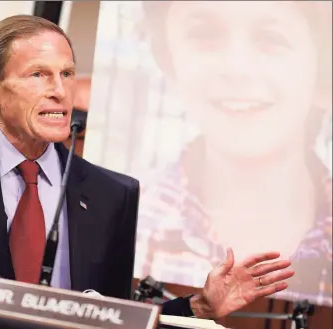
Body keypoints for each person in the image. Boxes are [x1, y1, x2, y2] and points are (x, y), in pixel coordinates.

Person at [0, 15, 293, 320]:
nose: (60, 91)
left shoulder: (112, 194)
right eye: (39, 74)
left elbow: (109, 317)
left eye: (67, 74)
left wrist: (198, 304)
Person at [137, 1, 332, 306]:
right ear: (169, 62)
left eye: (273, 38)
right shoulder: (128, 221)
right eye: (204, 35)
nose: (237, 69)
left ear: (321, 72)